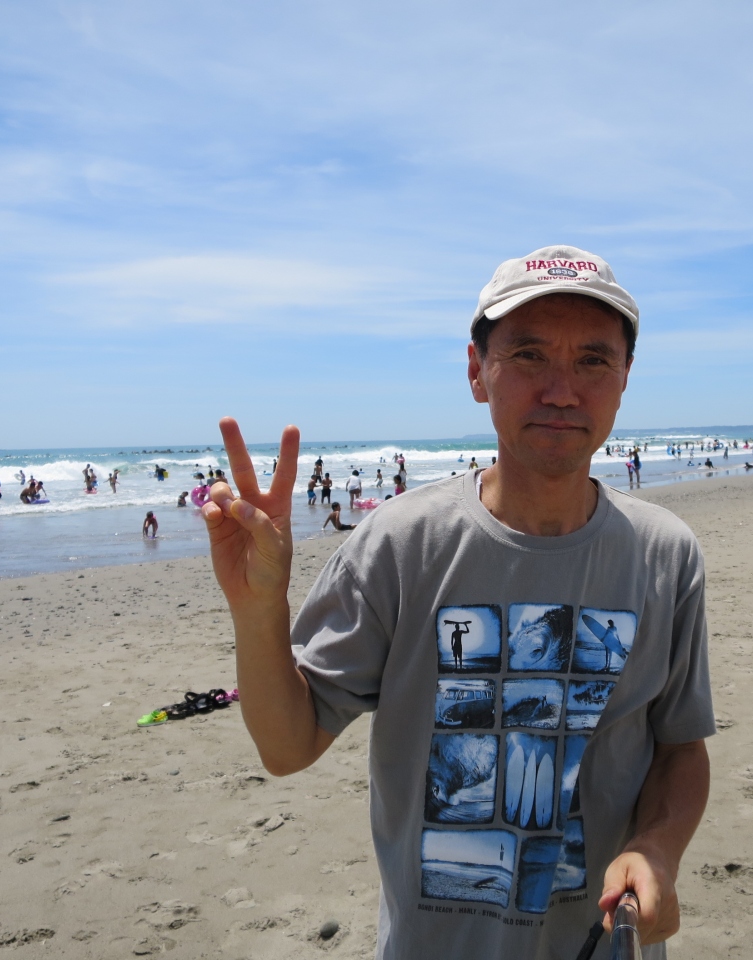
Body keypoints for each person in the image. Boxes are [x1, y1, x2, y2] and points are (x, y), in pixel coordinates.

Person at [198, 245, 712, 959]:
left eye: (594, 360)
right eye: (529, 355)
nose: (562, 390)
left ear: (625, 377)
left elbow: (681, 746)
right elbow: (287, 747)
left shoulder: (664, 554)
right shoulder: (402, 545)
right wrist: (258, 612)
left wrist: (657, 849)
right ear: (477, 371)